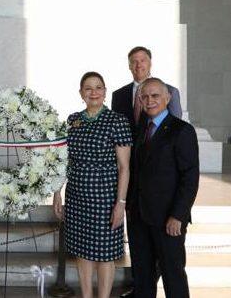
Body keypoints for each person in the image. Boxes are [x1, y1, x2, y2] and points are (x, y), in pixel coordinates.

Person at [53, 71, 132, 298]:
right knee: (82, 251)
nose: (93, 92)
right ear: (81, 93)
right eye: (88, 88)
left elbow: (124, 167)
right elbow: (63, 160)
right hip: (77, 196)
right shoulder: (73, 120)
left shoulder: (117, 121)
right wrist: (57, 192)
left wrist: (121, 204)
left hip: (106, 198)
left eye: (98, 87)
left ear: (105, 92)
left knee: (105, 254)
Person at [127, 78, 199, 298]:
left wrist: (178, 215)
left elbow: (190, 177)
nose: (150, 101)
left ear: (167, 98)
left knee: (172, 275)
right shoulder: (140, 129)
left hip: (168, 220)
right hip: (139, 217)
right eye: (145, 96)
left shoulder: (182, 131)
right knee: (142, 276)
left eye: (155, 96)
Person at [111, 46, 183, 127]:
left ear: (150, 63)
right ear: (129, 66)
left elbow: (176, 126)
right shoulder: (118, 95)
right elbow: (116, 127)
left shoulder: (170, 91)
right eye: (134, 61)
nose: (139, 65)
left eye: (142, 60)